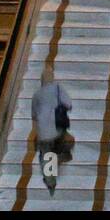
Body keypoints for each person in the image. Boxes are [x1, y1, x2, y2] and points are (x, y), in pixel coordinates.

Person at [31, 66, 73, 196]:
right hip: (57, 127)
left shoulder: (36, 94)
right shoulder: (58, 89)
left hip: (43, 131)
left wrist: (36, 131)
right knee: (60, 141)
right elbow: (69, 104)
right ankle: (62, 153)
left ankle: (50, 183)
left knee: (46, 154)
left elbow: (34, 115)